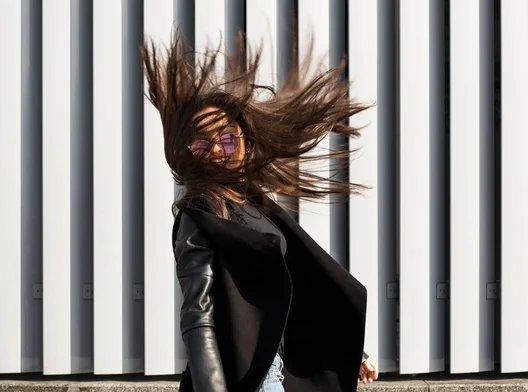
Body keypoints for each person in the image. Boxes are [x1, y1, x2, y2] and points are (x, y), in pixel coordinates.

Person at [141, 33, 378, 392]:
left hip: (275, 373)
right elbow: (198, 316)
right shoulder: (200, 212)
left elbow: (298, 285)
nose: (216, 151)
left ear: (246, 143)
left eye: (227, 139)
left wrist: (353, 352)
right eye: (202, 144)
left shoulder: (254, 204)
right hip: (245, 380)